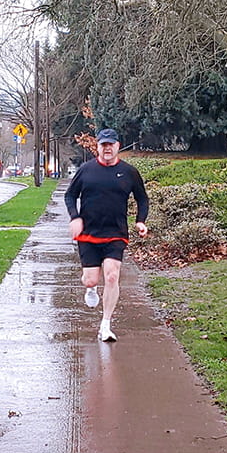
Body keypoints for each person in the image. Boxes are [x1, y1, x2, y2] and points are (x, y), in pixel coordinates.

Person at [64, 128, 149, 342]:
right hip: (89, 234)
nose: (107, 148)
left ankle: (106, 325)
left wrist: (140, 221)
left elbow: (142, 198)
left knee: (112, 275)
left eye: (111, 144)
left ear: (118, 146)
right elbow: (70, 195)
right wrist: (75, 217)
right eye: (104, 145)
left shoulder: (129, 172)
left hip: (115, 233)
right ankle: (91, 289)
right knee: (90, 280)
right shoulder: (86, 170)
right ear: (98, 147)